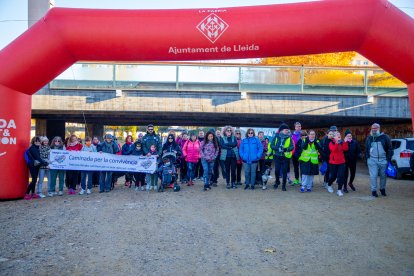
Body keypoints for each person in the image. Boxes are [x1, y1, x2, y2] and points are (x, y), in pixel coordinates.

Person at [365, 123, 393, 197]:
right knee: (373, 176)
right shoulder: (369, 138)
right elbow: (366, 149)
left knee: (383, 176)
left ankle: (382, 189)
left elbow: (390, 149)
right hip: (372, 160)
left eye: (375, 128)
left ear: (379, 128)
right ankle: (373, 191)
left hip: (383, 160)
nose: (374, 130)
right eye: (372, 128)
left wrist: (388, 159)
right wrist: (367, 159)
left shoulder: (385, 137)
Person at [270, 123, 294, 191]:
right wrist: (278, 148)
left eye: (287, 130)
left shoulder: (289, 138)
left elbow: (292, 147)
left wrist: (286, 149)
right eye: (286, 130)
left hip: (285, 157)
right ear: (281, 130)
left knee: (284, 171)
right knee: (277, 170)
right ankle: (277, 181)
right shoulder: (276, 137)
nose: (287, 131)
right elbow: (272, 145)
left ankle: (284, 185)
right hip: (277, 156)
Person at [327, 131, 349, 196]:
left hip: (341, 162)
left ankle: (339, 190)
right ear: (334, 137)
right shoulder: (331, 143)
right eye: (337, 135)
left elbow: (346, 149)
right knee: (333, 176)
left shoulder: (342, 142)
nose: (339, 135)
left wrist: (345, 142)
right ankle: (329, 185)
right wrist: (337, 143)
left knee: (341, 176)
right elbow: (334, 150)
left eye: (339, 134)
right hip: (333, 162)